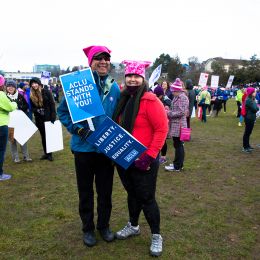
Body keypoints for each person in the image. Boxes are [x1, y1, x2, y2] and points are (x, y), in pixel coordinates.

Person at [58, 45, 120, 247]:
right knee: (85, 192)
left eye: (106, 58)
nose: (103, 61)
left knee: (105, 191)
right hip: (83, 149)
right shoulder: (78, 85)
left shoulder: (114, 87)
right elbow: (63, 113)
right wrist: (78, 130)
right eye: (98, 58)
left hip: (105, 150)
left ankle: (104, 226)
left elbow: (119, 116)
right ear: (91, 62)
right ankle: (88, 229)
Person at [112, 60, 168, 257]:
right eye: (129, 76)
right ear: (125, 78)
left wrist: (150, 156)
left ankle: (156, 235)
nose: (133, 80)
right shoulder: (123, 98)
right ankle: (133, 225)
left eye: (136, 76)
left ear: (142, 78)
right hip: (124, 158)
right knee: (132, 194)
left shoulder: (151, 101)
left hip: (144, 160)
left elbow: (162, 129)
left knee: (147, 198)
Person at [165, 78, 189, 172]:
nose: (172, 92)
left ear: (177, 90)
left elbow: (182, 112)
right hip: (176, 124)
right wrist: (169, 108)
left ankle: (177, 166)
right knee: (177, 144)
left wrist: (169, 113)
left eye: (173, 91)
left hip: (179, 125)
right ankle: (178, 163)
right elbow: (175, 108)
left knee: (179, 145)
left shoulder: (182, 97)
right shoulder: (177, 97)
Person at [29, 77, 56, 161]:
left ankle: (50, 154)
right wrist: (36, 110)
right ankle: (46, 153)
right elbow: (32, 108)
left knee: (48, 136)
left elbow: (52, 104)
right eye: (32, 84)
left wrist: (53, 117)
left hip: (47, 118)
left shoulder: (46, 92)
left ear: (39, 83)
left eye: (35, 83)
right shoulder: (31, 95)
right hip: (39, 119)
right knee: (43, 137)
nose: (34, 85)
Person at [5, 80, 32, 163]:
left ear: (15, 87)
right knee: (12, 140)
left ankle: (26, 156)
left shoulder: (19, 96)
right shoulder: (4, 97)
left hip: (20, 121)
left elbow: (26, 106)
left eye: (12, 86)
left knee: (23, 138)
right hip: (9, 121)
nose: (10, 88)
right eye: (9, 86)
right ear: (6, 88)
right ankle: (16, 157)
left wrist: (19, 108)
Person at [0, 75, 17, 181]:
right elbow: (10, 107)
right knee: (1, 150)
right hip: (1, 125)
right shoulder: (1, 94)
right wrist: (14, 103)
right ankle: (0, 174)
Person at [153, 85, 171, 164]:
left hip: (163, 124)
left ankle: (163, 157)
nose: (157, 96)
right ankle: (157, 155)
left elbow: (167, 112)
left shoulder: (166, 101)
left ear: (161, 95)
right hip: (155, 123)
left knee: (163, 141)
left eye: (158, 95)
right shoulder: (155, 99)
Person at [242, 87, 259, 153]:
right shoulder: (249, 100)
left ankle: (248, 145)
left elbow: (256, 108)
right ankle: (245, 147)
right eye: (254, 92)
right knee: (247, 132)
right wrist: (256, 107)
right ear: (251, 93)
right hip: (249, 118)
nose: (255, 93)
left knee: (249, 132)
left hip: (251, 118)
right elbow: (255, 109)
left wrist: (256, 106)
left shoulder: (252, 99)